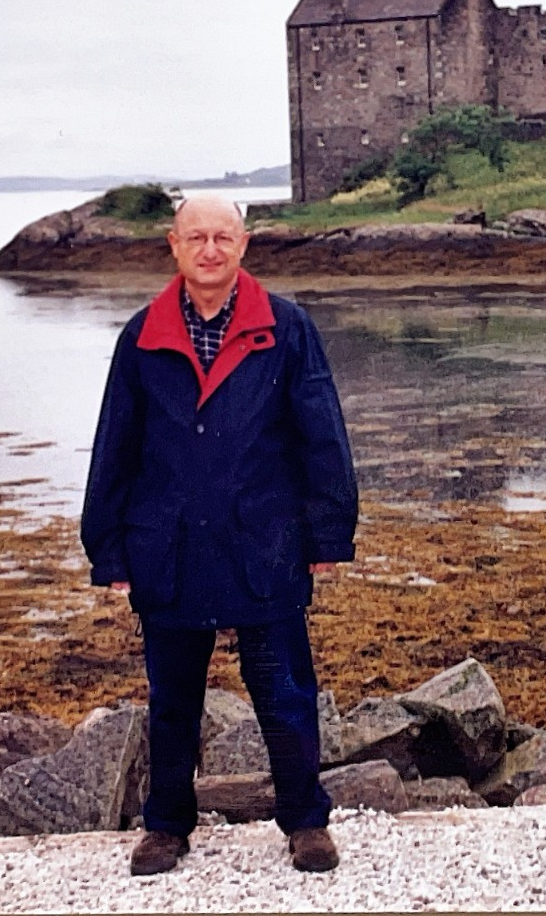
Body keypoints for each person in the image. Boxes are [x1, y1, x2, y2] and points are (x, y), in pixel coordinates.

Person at [80, 194, 359, 876]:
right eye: (197, 237)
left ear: (245, 244)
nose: (210, 248)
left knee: (286, 693)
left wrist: (328, 534)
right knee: (173, 702)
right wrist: (108, 546)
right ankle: (167, 825)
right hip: (167, 548)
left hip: (264, 544)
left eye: (223, 237)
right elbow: (115, 445)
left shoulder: (287, 329)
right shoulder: (141, 335)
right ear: (173, 244)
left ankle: (305, 821)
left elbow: (322, 436)